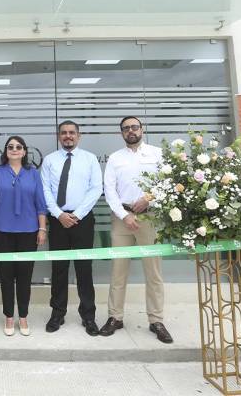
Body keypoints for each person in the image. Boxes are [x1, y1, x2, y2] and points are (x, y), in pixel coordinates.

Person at [101, 116, 172, 344]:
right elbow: (109, 190)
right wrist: (125, 215)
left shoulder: (157, 154)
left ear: (142, 129)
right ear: (121, 133)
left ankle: (156, 320)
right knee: (118, 271)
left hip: (150, 217)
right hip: (122, 218)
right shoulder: (115, 158)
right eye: (126, 128)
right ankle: (115, 317)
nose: (130, 131)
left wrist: (149, 199)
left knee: (153, 272)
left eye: (134, 127)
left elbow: (167, 183)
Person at [40, 120, 102, 336]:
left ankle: (88, 316)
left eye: (72, 133)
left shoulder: (90, 159)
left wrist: (77, 215)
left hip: (82, 220)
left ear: (78, 135)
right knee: (59, 269)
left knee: (84, 269)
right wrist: (59, 214)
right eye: (64, 133)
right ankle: (58, 313)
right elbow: (45, 190)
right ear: (59, 136)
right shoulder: (50, 160)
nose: (68, 136)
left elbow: (96, 188)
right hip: (58, 220)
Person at [0, 135, 47, 337]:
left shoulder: (33, 173)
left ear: (24, 151)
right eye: (10, 146)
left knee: (24, 277)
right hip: (3, 231)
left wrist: (42, 229)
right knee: (6, 276)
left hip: (29, 232)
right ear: (6, 151)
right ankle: (9, 316)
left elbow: (40, 203)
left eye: (18, 147)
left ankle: (23, 316)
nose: (14, 149)